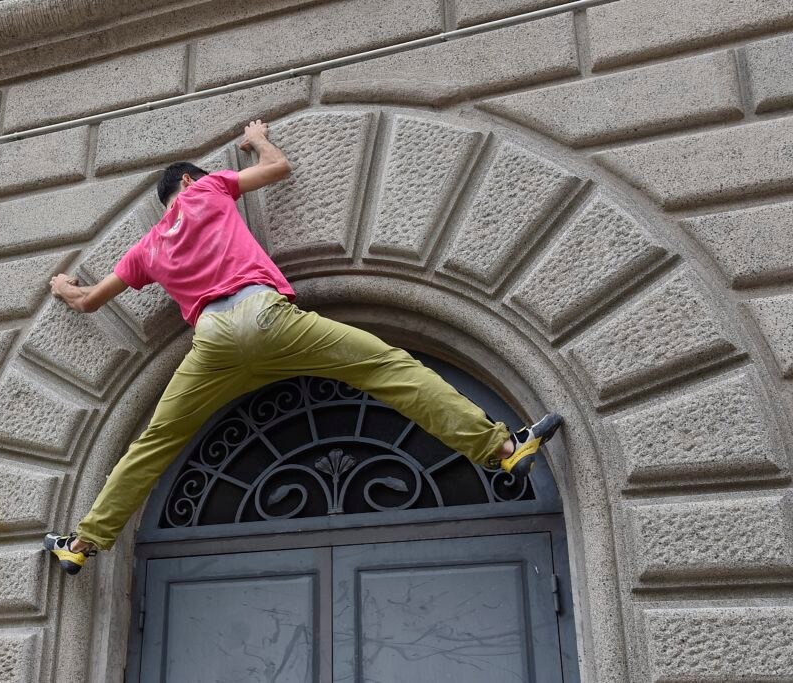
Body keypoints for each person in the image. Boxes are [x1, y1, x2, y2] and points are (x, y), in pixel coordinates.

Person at [43, 119, 562, 575]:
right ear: (187, 181)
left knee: (154, 444)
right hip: (265, 317)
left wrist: (63, 286)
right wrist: (258, 139)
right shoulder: (206, 191)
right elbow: (277, 168)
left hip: (212, 343)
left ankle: (83, 543)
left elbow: (88, 301)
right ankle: (501, 449)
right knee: (386, 367)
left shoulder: (148, 247)